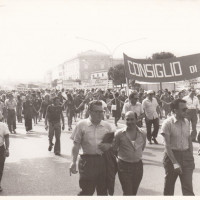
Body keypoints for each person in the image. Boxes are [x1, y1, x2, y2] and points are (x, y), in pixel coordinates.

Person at [69, 100, 114, 196]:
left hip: (103, 161)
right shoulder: (82, 125)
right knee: (87, 191)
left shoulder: (107, 126)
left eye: (101, 111)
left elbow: (114, 144)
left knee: (102, 192)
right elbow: (76, 144)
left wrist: (109, 146)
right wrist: (73, 162)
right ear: (90, 111)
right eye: (96, 111)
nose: (100, 114)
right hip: (87, 162)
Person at [161, 99, 195, 196]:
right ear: (175, 110)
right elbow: (167, 145)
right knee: (169, 188)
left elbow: (189, 140)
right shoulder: (167, 123)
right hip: (172, 158)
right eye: (183, 109)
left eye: (186, 109)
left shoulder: (187, 122)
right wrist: (175, 163)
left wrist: (190, 156)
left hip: (187, 157)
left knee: (188, 189)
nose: (186, 111)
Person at [113, 111, 146, 195]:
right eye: (127, 119)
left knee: (134, 192)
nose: (130, 122)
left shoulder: (143, 133)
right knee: (128, 192)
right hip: (124, 166)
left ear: (137, 119)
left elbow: (142, 147)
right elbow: (114, 149)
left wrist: (134, 156)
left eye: (132, 119)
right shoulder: (119, 134)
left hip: (138, 166)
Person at [0, 119, 10, 192]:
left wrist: (7, 149)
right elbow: (7, 138)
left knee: (0, 167)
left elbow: (7, 138)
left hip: (1, 148)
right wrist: (7, 149)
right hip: (1, 148)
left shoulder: (3, 125)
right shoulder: (3, 125)